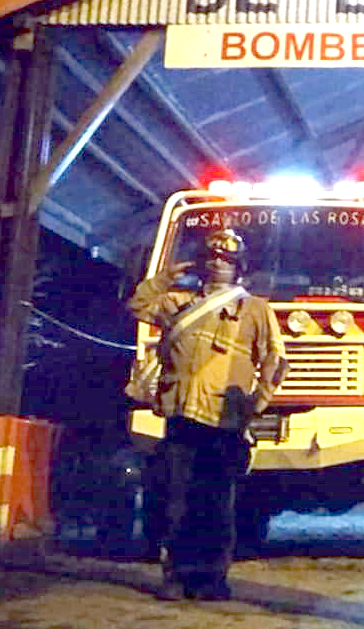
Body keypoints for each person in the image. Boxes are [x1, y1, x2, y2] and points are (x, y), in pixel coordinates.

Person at [126, 228, 288, 601]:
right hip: (181, 418)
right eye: (212, 257)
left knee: (215, 504)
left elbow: (276, 361)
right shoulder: (179, 302)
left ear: (238, 267)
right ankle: (177, 577)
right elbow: (137, 305)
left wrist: (255, 404)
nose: (218, 264)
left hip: (224, 424)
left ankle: (212, 579)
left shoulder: (255, 310)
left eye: (227, 259)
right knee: (176, 501)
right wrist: (166, 276)